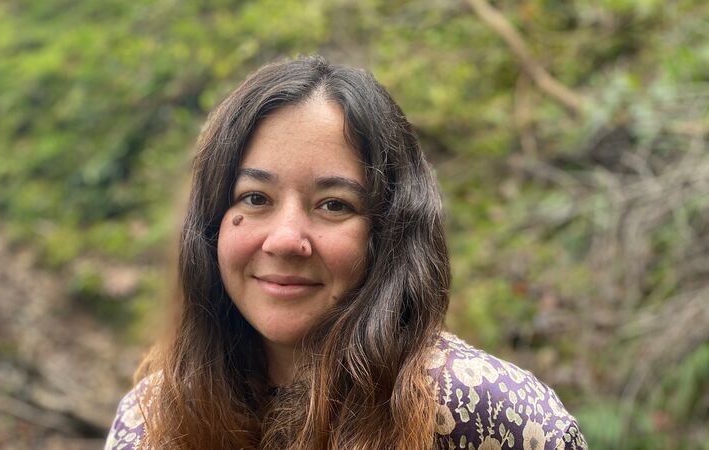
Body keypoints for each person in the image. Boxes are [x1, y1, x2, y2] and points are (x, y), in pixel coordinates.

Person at [104, 56, 587, 450]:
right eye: (255, 199)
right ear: (210, 223)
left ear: (390, 230)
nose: (285, 239)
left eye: (334, 205)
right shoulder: (152, 422)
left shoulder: (487, 414)